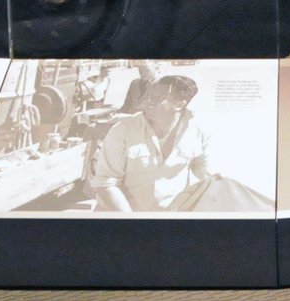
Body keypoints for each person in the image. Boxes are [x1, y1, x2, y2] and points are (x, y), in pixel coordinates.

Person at [89, 74, 211, 212]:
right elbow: (105, 182)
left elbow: (203, 179)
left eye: (156, 98)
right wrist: (131, 219)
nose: (148, 102)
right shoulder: (123, 130)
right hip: (120, 216)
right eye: (148, 96)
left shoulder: (200, 132)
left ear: (179, 105)